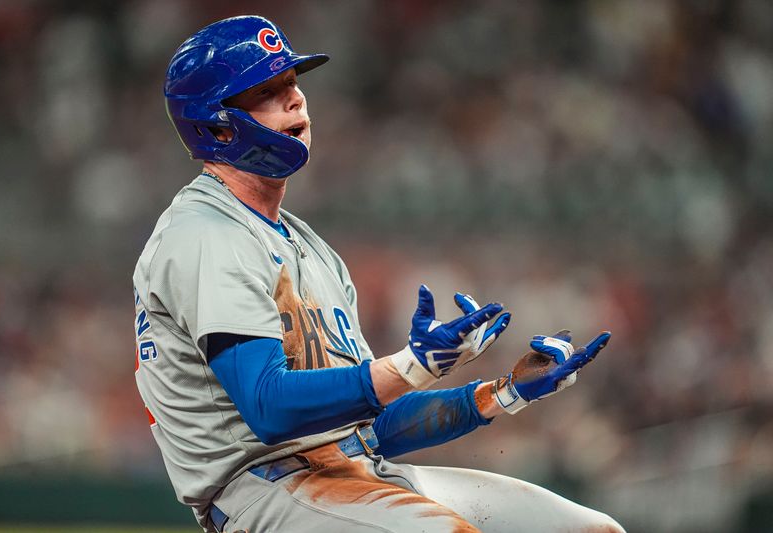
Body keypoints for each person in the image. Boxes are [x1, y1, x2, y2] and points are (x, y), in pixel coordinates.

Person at [133, 15, 625, 533]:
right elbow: (268, 408)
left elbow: (374, 429)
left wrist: (503, 392)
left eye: (293, 84)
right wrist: (410, 367)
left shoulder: (310, 249)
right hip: (265, 492)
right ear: (216, 123)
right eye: (267, 91)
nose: (296, 100)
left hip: (356, 472)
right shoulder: (206, 234)